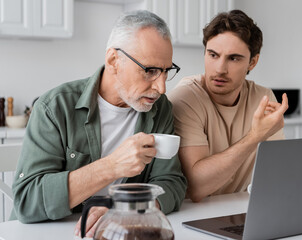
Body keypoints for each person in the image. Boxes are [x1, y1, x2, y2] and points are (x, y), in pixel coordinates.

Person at [11, 10, 187, 237]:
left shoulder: (159, 107)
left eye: (166, 71)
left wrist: (123, 208)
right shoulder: (54, 107)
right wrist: (112, 166)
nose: (161, 87)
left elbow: (171, 182)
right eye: (150, 71)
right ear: (114, 60)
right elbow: (27, 201)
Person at [168, 9, 288, 202]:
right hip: (195, 214)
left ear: (253, 62)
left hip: (243, 208)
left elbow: (279, 173)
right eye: (213, 55)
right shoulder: (185, 98)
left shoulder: (263, 97)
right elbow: (196, 187)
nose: (219, 69)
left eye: (233, 58)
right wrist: (255, 136)